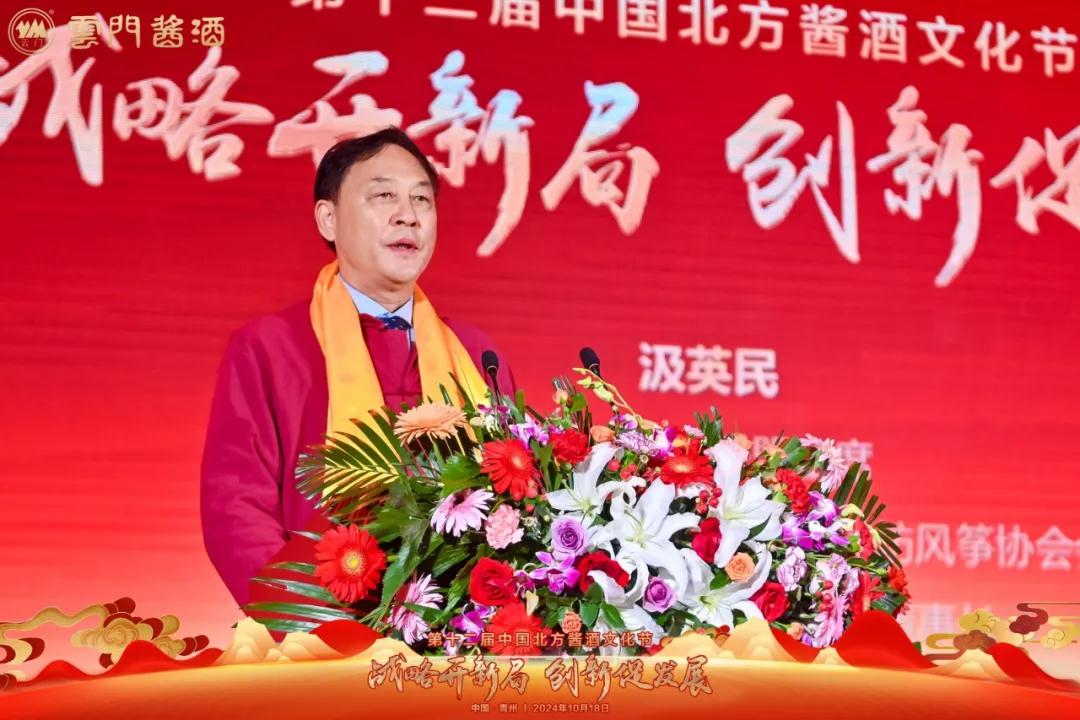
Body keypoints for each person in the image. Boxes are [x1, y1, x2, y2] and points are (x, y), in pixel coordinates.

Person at [201, 127, 515, 609]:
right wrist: (315, 625)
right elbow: (236, 511)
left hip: (461, 637)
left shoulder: (475, 355)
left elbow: (517, 499)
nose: (408, 215)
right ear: (328, 219)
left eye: (421, 199)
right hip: (322, 637)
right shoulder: (270, 348)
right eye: (383, 196)